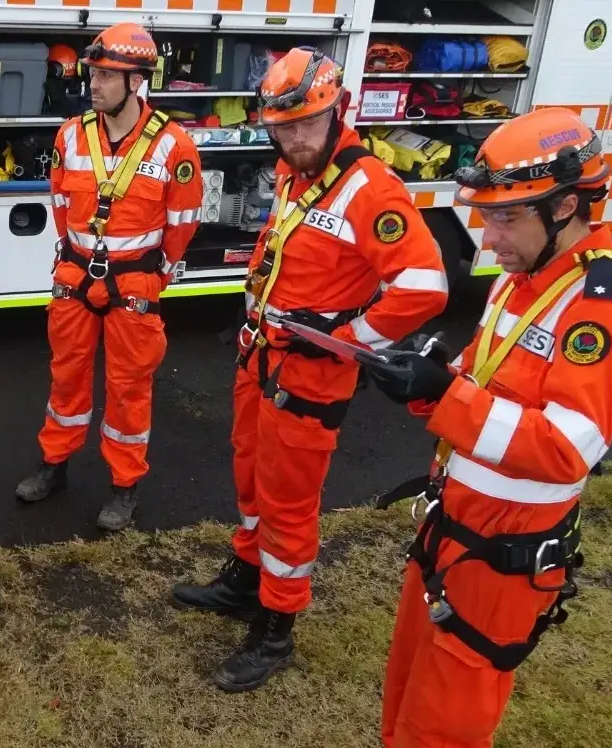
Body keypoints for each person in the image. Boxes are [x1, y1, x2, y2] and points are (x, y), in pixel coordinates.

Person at [367, 107, 612, 746]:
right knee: (406, 697)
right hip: (455, 524)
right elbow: (479, 389)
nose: (489, 237)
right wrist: (426, 382)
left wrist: (447, 396)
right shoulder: (520, 279)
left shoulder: (605, 302)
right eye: (487, 217)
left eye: (505, 217)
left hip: (504, 549)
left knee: (443, 724)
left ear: (563, 208)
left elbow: (564, 448)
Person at [167, 47, 450, 692]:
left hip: (311, 375)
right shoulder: (299, 172)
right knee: (250, 476)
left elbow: (427, 283)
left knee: (289, 504)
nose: (293, 138)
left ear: (335, 110)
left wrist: (348, 339)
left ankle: (276, 626)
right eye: (282, 127)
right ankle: (245, 578)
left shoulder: (368, 186)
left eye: (305, 124)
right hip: (263, 356)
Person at [11, 22, 204, 532]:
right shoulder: (70, 136)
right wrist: (77, 255)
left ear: (137, 81)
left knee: (128, 389)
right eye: (92, 73)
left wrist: (152, 275)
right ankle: (54, 466)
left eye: (106, 76)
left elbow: (183, 223)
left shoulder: (173, 145)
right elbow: (60, 203)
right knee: (66, 379)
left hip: (136, 283)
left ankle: (124, 487)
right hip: (75, 276)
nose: (92, 83)